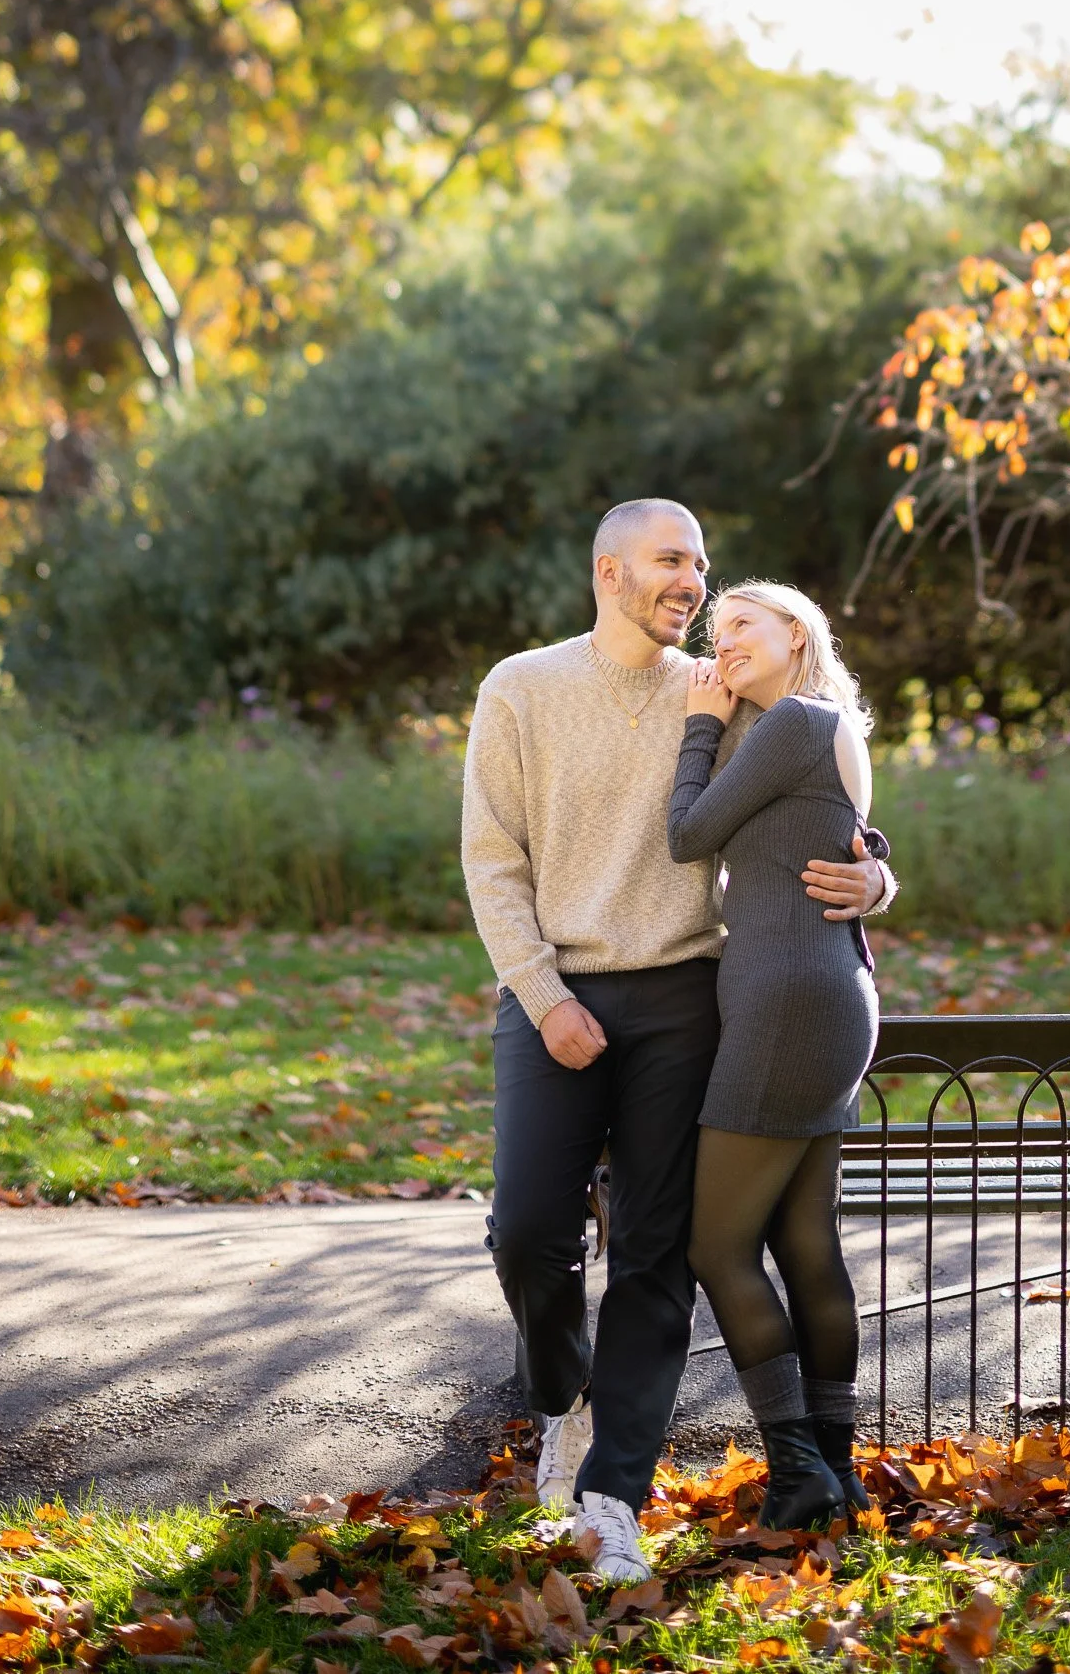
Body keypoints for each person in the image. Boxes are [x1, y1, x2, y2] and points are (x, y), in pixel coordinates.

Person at [460, 500, 897, 1583]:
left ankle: (613, 1496)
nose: (694, 583)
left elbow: (824, 799)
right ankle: (561, 1402)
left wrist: (879, 875)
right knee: (527, 1233)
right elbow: (491, 859)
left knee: (657, 1252)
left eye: (701, 565)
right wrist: (544, 991)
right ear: (609, 570)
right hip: (555, 990)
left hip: (692, 997)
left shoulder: (724, 694)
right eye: (672, 560)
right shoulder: (522, 685)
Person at [666, 580, 881, 1529]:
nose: (725, 645)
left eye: (742, 624)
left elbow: (688, 834)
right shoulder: (823, 725)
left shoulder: (791, 718)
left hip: (788, 1000)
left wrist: (701, 725)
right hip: (828, 994)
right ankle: (835, 1471)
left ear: (798, 633)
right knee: (803, 1241)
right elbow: (852, 849)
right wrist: (881, 879)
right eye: (716, 635)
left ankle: (799, 1472)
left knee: (716, 1242)